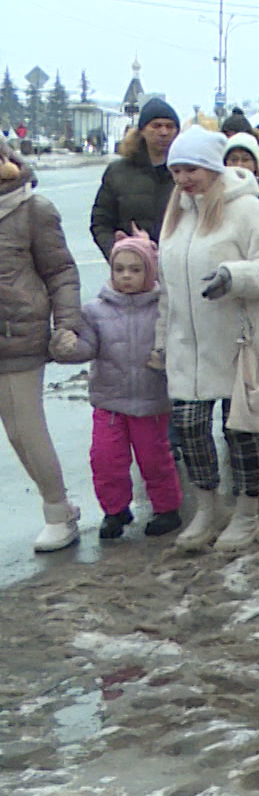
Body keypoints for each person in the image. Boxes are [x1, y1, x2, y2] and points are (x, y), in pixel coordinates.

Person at [157, 126, 259, 553]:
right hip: (188, 346)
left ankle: (246, 511)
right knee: (190, 429)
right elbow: (166, 288)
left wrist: (234, 276)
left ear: (213, 167)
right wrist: (161, 340)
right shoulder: (177, 214)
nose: (184, 178)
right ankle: (206, 509)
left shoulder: (246, 210)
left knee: (240, 432)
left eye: (192, 168)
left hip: (238, 341)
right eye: (177, 169)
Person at [0, 146, 86, 552]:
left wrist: (66, 324)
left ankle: (59, 511)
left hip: (15, 334)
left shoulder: (32, 208)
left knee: (23, 430)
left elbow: (61, 271)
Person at [73, 230, 181, 541]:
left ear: (150, 271)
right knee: (106, 459)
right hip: (109, 401)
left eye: (136, 270)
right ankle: (115, 509)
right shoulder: (95, 310)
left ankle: (166, 508)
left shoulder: (163, 309)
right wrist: (67, 346)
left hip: (151, 402)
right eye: (119, 269)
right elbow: (87, 348)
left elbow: (176, 346)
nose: (126, 277)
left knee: (155, 458)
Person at [90, 98, 179, 257]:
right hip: (133, 270)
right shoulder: (118, 172)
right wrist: (116, 254)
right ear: (142, 130)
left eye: (169, 126)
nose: (164, 132)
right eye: (156, 126)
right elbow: (101, 223)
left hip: (176, 266)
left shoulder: (186, 172)